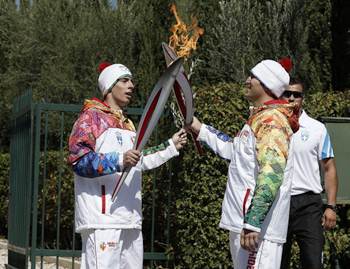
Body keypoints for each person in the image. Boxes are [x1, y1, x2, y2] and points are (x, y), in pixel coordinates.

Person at [68, 62, 187, 269]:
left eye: (131, 80)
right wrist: (119, 160)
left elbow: (139, 160)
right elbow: (79, 160)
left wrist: (171, 146)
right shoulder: (91, 118)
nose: (131, 85)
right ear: (109, 87)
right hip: (103, 219)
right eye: (124, 80)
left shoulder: (128, 124)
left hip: (130, 217)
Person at [187, 59, 300, 269]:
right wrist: (198, 127)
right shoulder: (258, 118)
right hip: (246, 223)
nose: (247, 80)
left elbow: (271, 174)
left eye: (252, 77)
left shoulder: (271, 121)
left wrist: (253, 222)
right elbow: (234, 151)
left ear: (266, 84)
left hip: (259, 229)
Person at [280, 78, 338, 269]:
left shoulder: (317, 129)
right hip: (279, 201)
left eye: (296, 94)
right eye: (287, 93)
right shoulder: (270, 126)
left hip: (309, 205)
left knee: (313, 263)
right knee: (277, 262)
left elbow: (329, 168)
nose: (291, 98)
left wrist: (331, 206)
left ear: (302, 99)